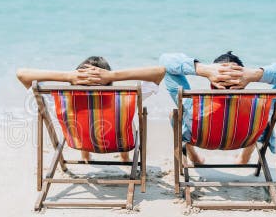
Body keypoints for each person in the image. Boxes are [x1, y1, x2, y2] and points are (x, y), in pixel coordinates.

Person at [161, 51, 276, 165]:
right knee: (261, 119)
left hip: (200, 139)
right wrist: (255, 75)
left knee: (175, 115)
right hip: (247, 138)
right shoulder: (261, 105)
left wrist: (202, 69)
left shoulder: (191, 104)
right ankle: (243, 159)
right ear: (244, 81)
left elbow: (165, 62)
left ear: (211, 81)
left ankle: (195, 158)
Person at [17, 56, 165, 162]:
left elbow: (22, 74)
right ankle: (124, 157)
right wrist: (113, 75)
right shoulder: (123, 98)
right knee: (124, 116)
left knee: (82, 119)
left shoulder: (62, 100)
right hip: (121, 143)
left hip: (80, 141)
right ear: (108, 81)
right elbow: (160, 71)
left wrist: (67, 76)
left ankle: (85, 156)